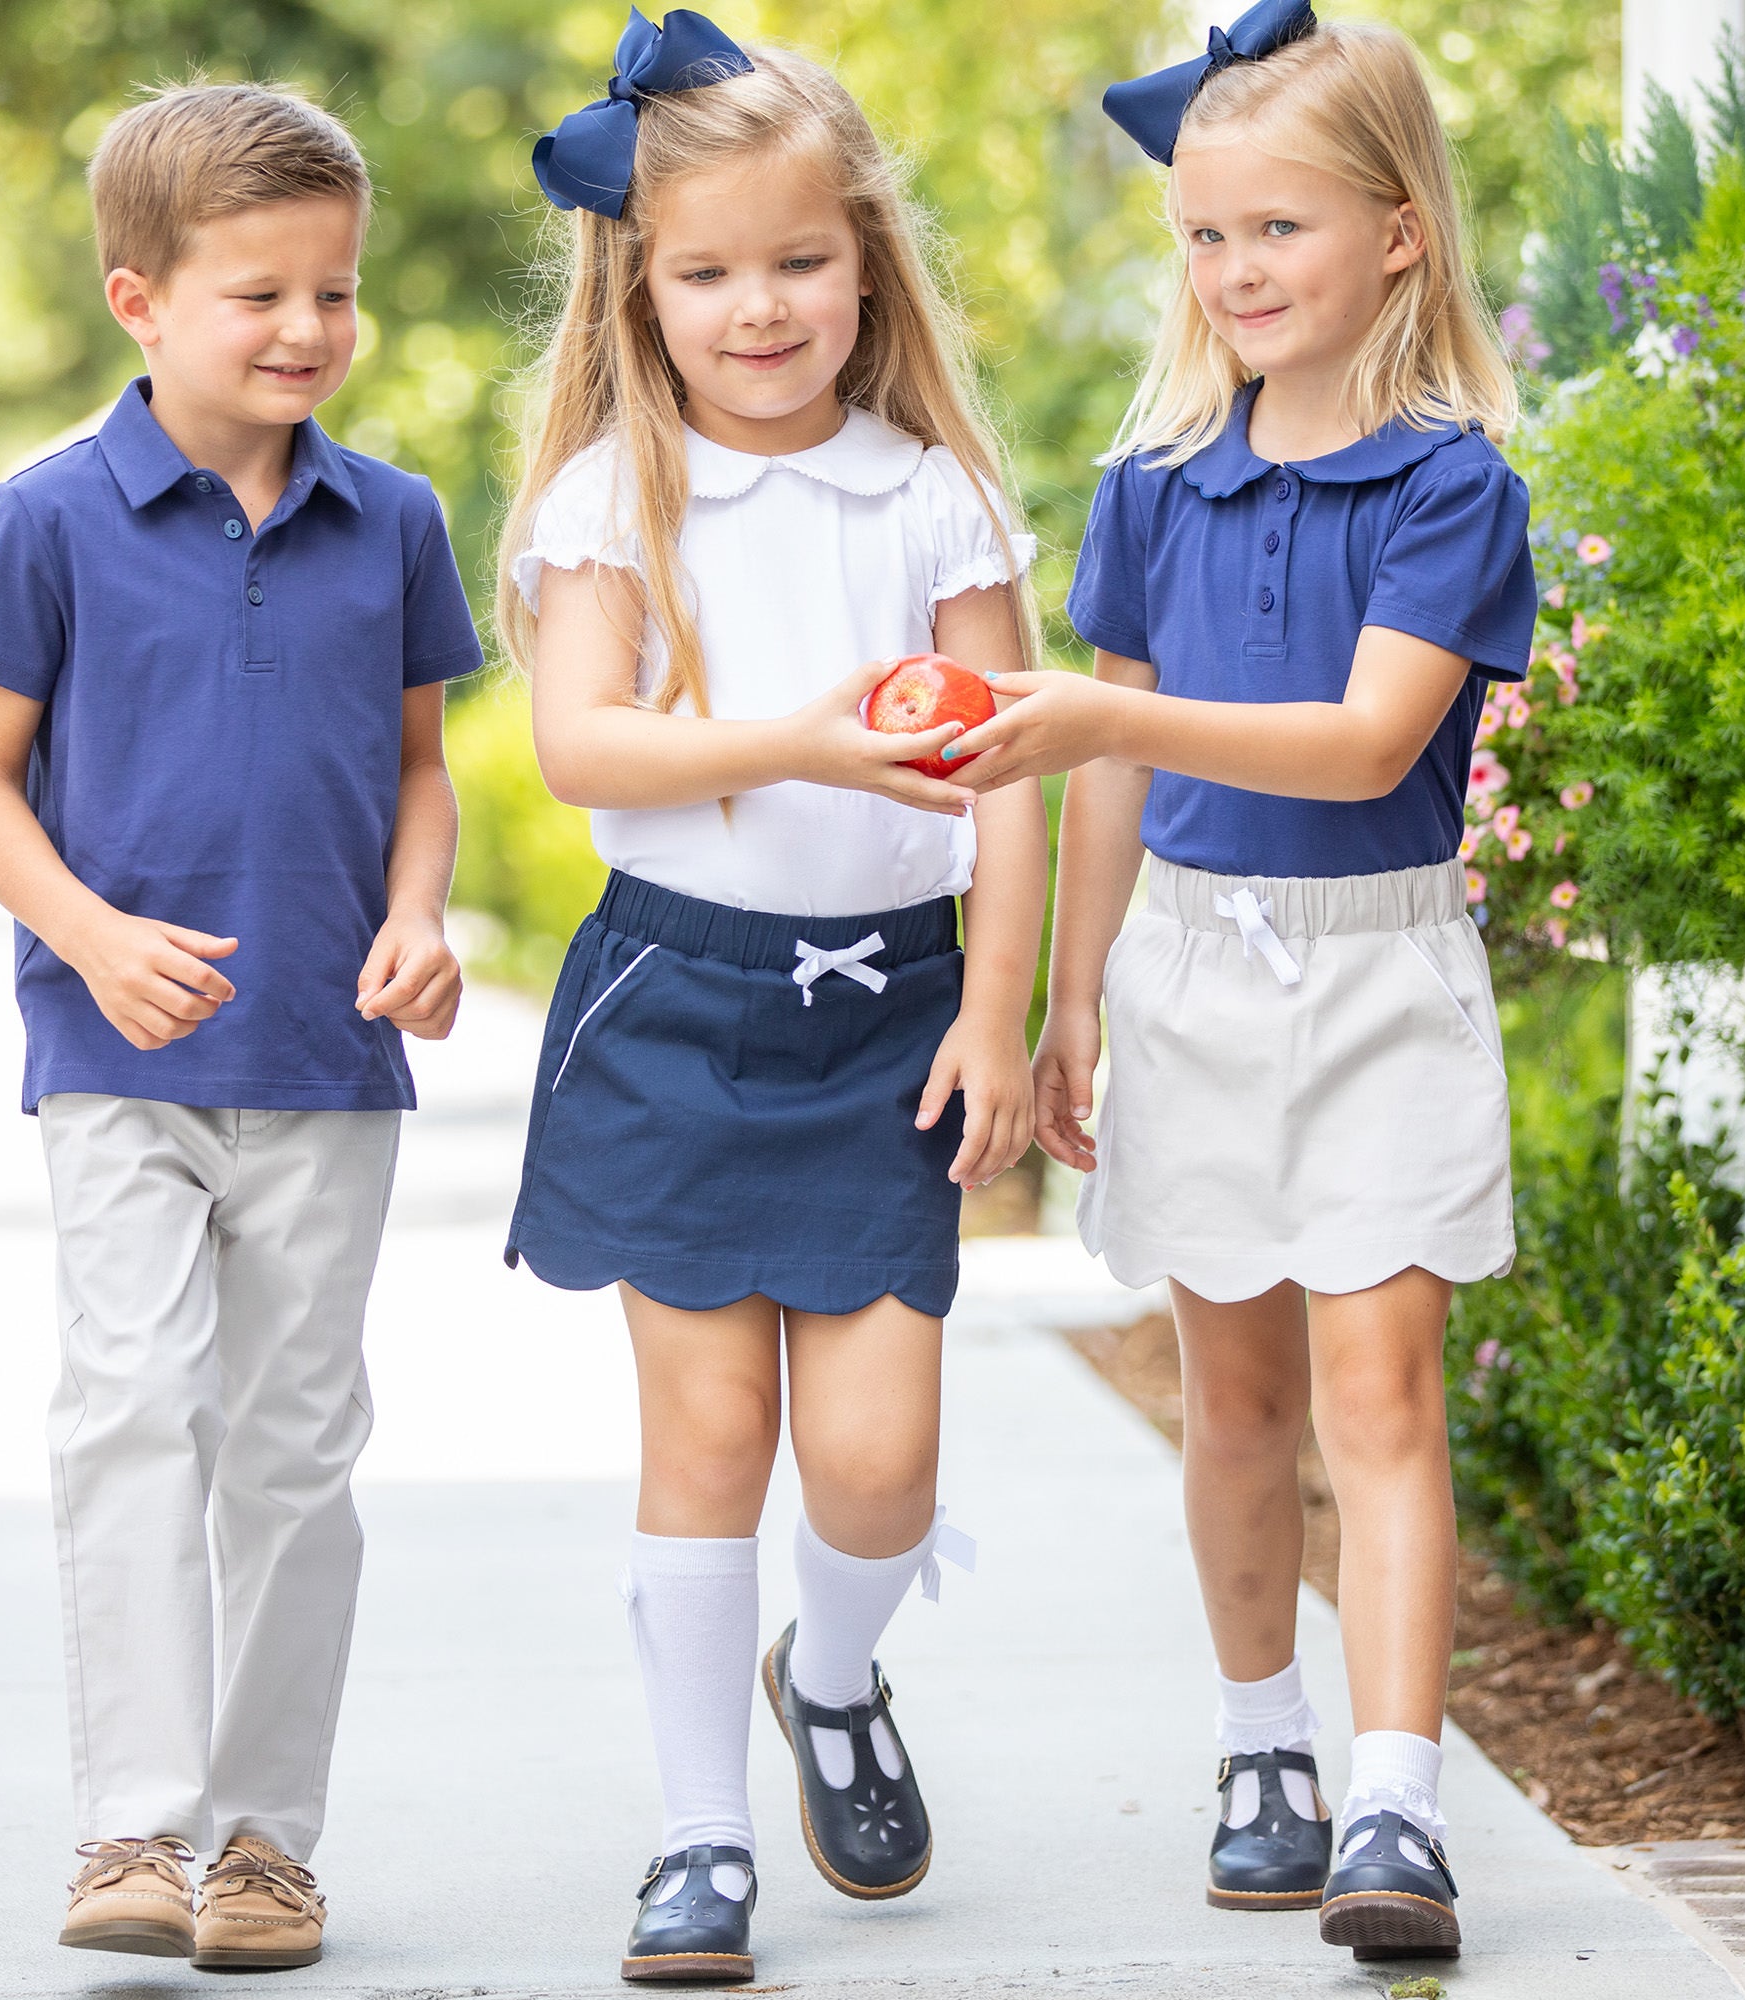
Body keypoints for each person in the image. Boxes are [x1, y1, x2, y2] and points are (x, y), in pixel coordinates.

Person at [947, 0, 1536, 1963]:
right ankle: (1258, 1746)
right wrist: (1075, 994)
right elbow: (1107, 760)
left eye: (1275, 229)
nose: (1233, 272)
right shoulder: (1154, 479)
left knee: (1380, 1386)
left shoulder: (1452, 485)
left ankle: (1393, 1795)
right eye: (1204, 236)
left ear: (1396, 237)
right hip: (1190, 962)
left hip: (1379, 972)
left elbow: (1370, 744)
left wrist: (1104, 713)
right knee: (1233, 1400)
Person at [498, 9, 1048, 1982]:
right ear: (638, 288)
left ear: (865, 264)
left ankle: (828, 1675)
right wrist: (798, 743)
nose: (759, 306)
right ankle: (700, 1841)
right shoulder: (605, 505)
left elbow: (1002, 780)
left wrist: (1000, 1011)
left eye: (799, 261)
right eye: (709, 269)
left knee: (881, 1464)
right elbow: (582, 749)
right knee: (708, 1433)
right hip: (675, 1003)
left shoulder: (929, 502)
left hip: (889, 1017)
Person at [0, 82, 483, 1969]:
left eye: (333, 291)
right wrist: (88, 939)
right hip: (117, 1063)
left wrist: (417, 915)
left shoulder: (390, 518)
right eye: (260, 295)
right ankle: (132, 1832)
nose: (308, 331)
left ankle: (265, 1843)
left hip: (329, 1061)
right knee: (132, 1416)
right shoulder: (49, 517)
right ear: (139, 299)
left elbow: (422, 770)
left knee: (296, 1445)